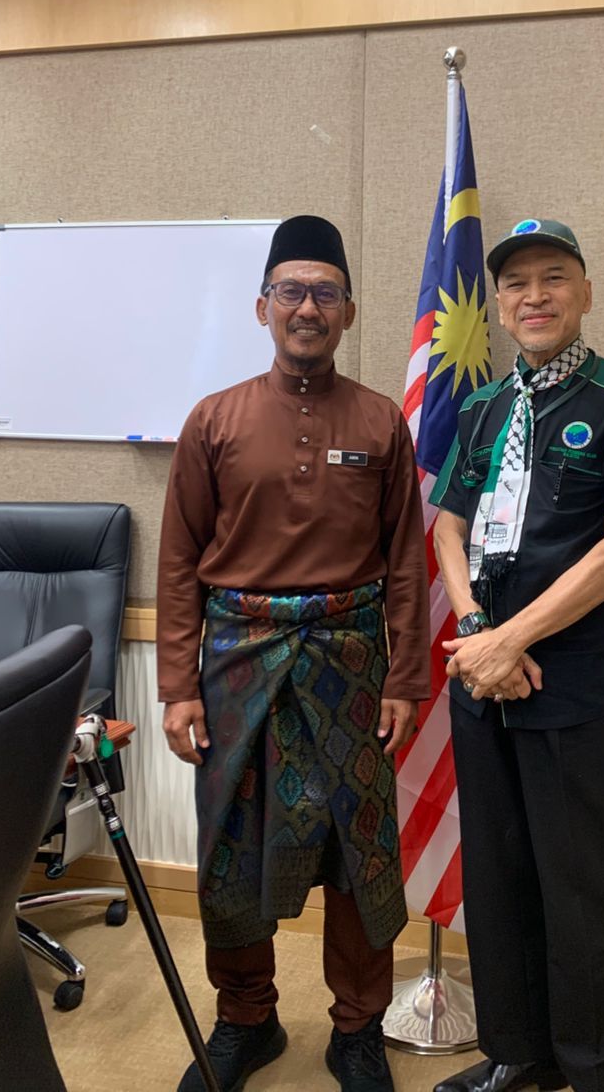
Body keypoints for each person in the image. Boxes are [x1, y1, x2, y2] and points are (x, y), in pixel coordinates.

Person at [156, 215, 430, 1092]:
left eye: (324, 293)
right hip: (235, 667)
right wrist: (177, 687)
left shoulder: (381, 421)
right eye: (291, 292)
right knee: (232, 850)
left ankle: (358, 1028)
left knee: (358, 850)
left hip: (351, 668)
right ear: (262, 306)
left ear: (348, 311)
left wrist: (405, 678)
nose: (307, 308)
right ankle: (247, 1018)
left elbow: (405, 562)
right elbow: (178, 562)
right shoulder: (214, 419)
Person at [429, 219, 604, 1092]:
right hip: (484, 682)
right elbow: (449, 528)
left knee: (583, 886)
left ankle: (601, 1071)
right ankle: (520, 1050)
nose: (533, 296)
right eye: (516, 283)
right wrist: (478, 632)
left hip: (579, 688)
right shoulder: (481, 409)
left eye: (553, 277)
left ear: (585, 292)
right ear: (499, 305)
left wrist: (512, 639)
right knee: (499, 876)